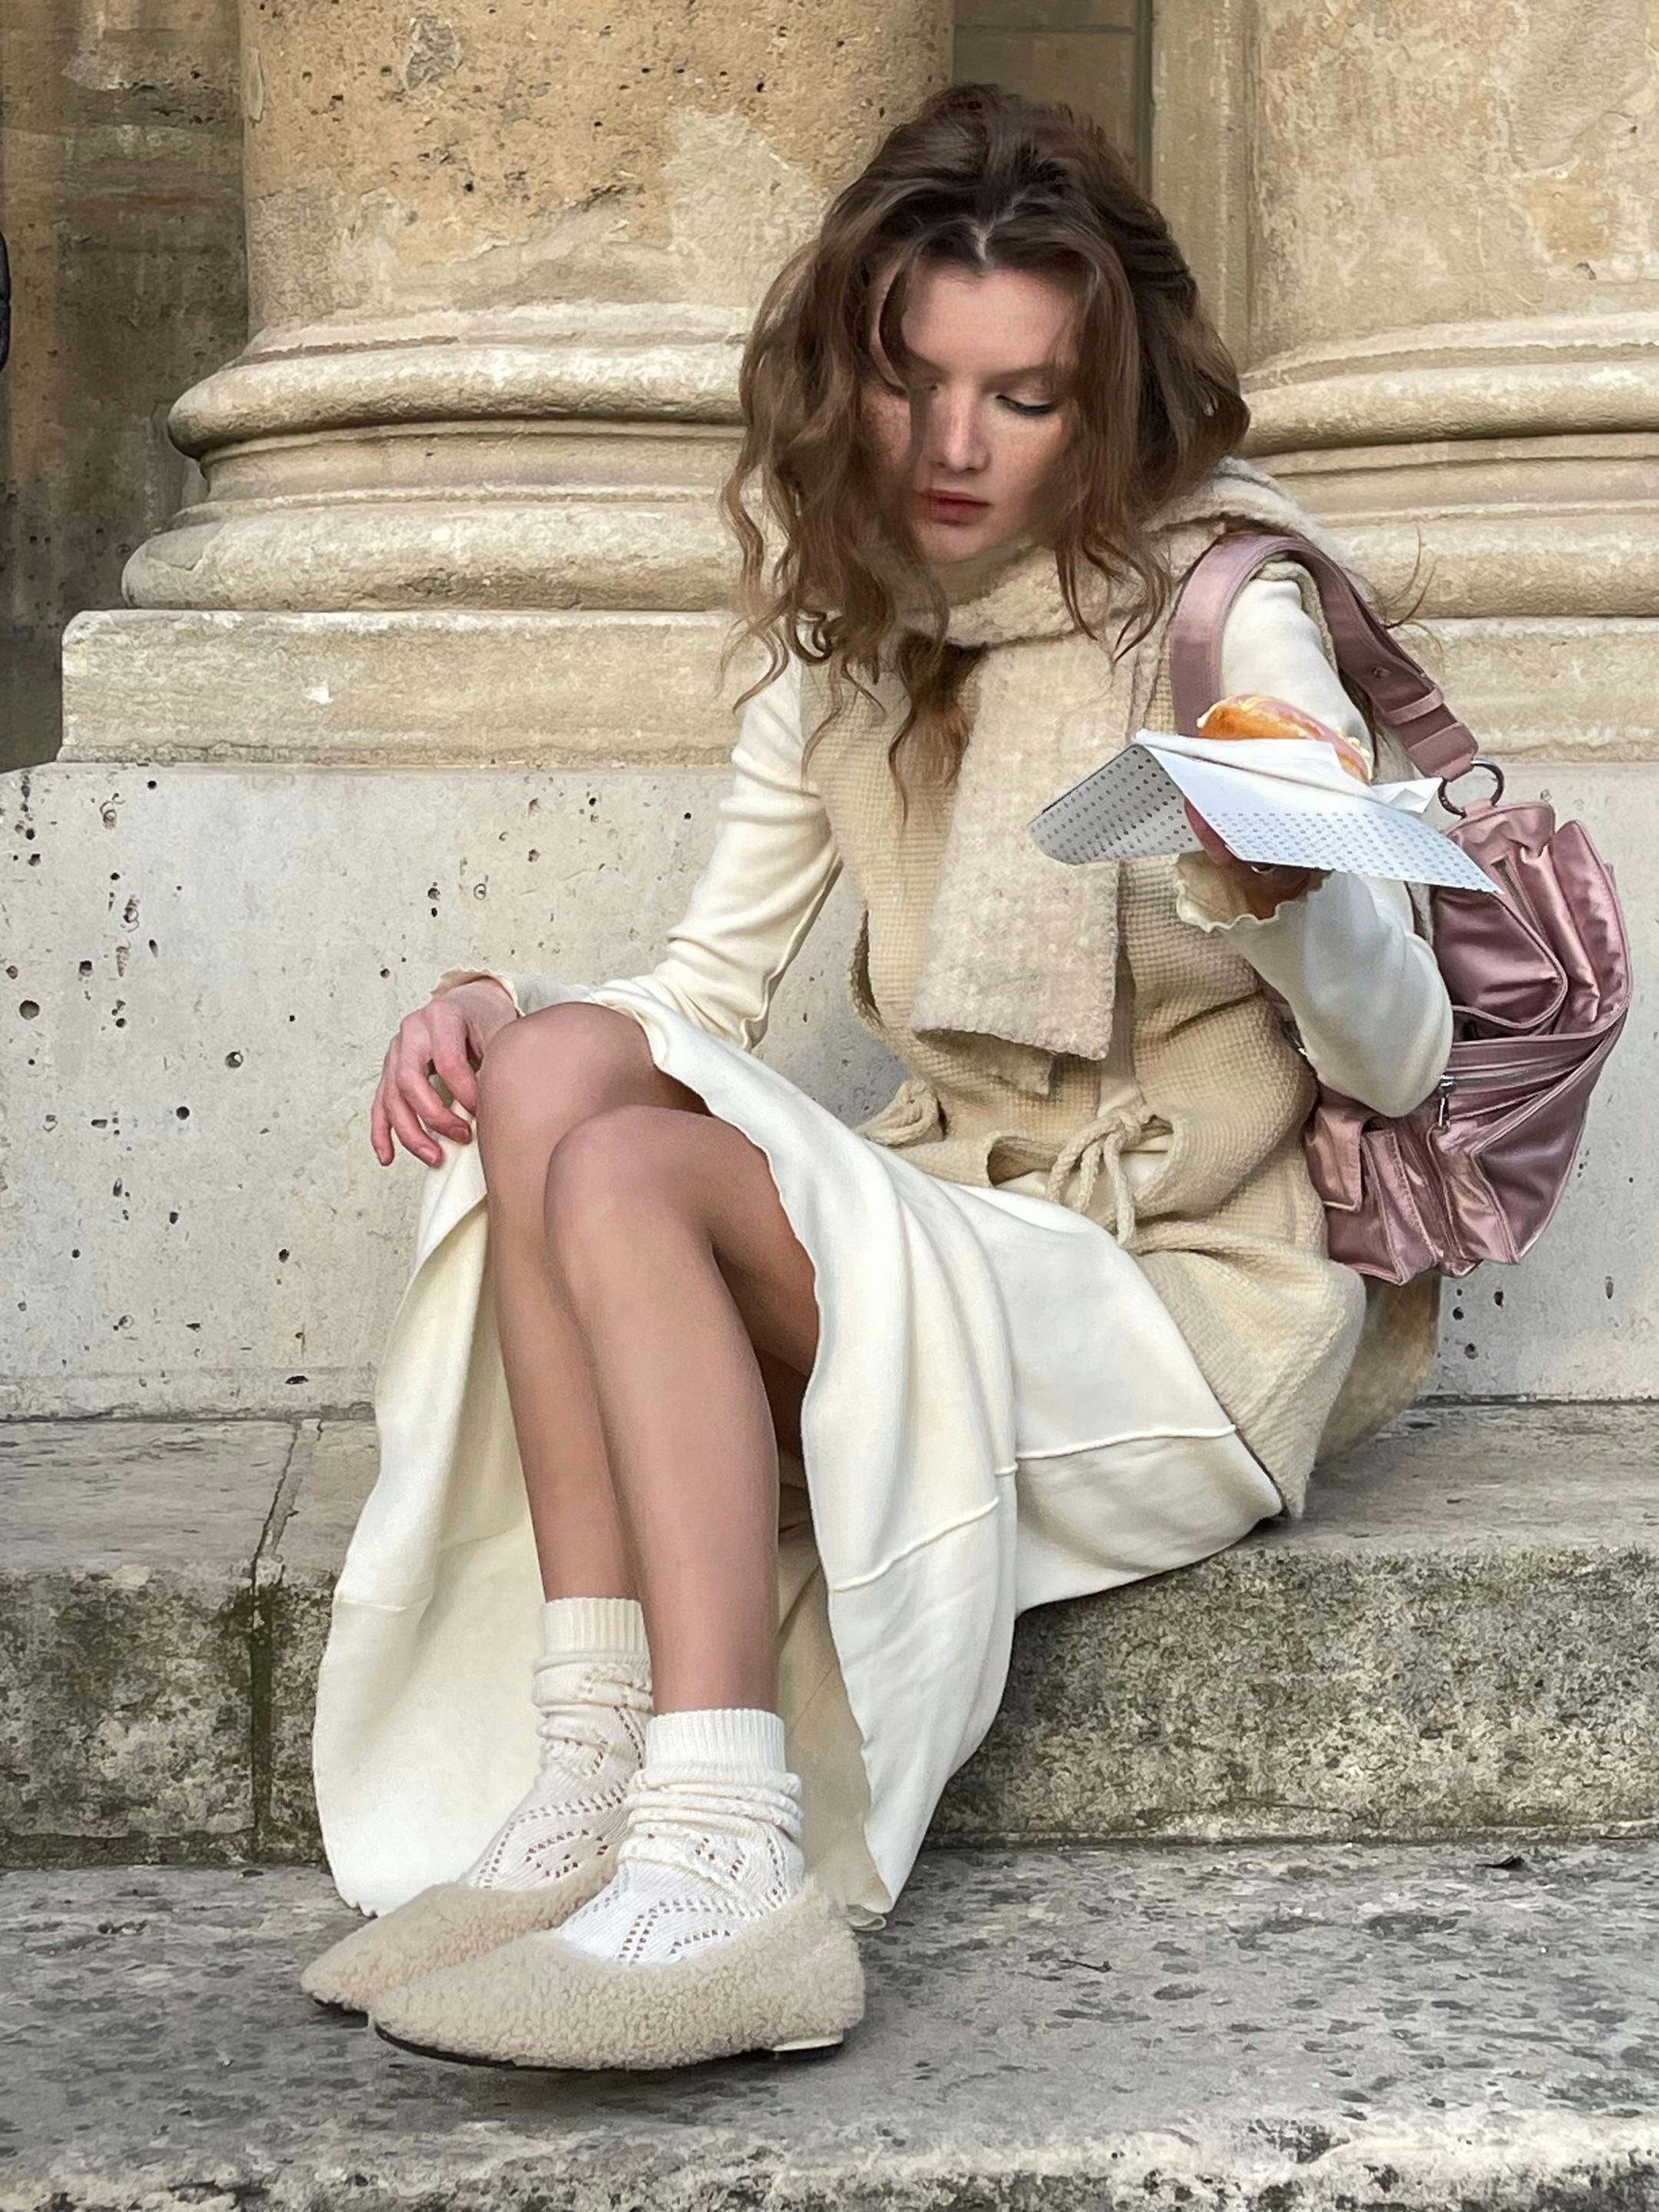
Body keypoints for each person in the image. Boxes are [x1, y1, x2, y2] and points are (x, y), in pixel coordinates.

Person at [300, 81, 1453, 2070]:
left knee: (640, 1183)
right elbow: (702, 988)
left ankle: (731, 1853)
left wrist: (1287, 896)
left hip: (1175, 1307)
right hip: (965, 1222)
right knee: (568, 1075)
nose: (951, 446)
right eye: (917, 379)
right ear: (852, 369)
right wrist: (502, 1007)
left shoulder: (1220, 607)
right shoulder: (855, 630)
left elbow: (1406, 1052)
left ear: (1111, 401)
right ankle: (589, 1792)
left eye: (1023, 396)